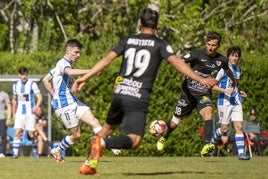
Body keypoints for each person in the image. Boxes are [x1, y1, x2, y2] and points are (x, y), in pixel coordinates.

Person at [72, 8, 217, 175]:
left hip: (120, 93)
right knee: (133, 141)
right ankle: (102, 145)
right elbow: (178, 63)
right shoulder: (160, 44)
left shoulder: (128, 40)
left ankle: (88, 164)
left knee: (106, 130)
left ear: (139, 23)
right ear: (158, 25)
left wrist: (85, 77)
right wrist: (202, 79)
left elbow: (106, 60)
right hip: (137, 97)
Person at [156, 32, 237, 155]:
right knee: (174, 123)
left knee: (209, 114)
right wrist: (184, 70)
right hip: (188, 94)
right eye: (208, 44)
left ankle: (206, 145)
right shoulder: (197, 54)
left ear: (218, 46)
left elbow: (228, 71)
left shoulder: (222, 60)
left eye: (213, 45)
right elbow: (180, 61)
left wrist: (234, 82)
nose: (210, 47)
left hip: (203, 95)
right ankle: (164, 137)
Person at [42, 39, 102, 163]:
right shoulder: (63, 63)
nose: (78, 55)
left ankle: (112, 145)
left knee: (94, 121)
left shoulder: (60, 66)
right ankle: (56, 150)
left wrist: (54, 95)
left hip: (73, 102)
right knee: (76, 135)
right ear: (68, 51)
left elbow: (45, 80)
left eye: (79, 52)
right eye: (76, 52)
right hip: (64, 106)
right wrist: (91, 71)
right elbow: (69, 72)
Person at [206, 46, 250, 160]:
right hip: (224, 102)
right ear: (228, 57)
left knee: (239, 127)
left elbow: (234, 85)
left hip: (236, 101)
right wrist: (225, 91)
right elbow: (212, 86)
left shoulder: (238, 69)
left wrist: (239, 92)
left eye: (237, 56)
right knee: (224, 129)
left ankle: (241, 154)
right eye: (232, 56)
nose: (235, 58)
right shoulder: (222, 69)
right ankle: (212, 143)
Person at [11, 66, 43, 159]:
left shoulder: (32, 84)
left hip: (30, 112)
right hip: (20, 112)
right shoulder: (15, 85)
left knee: (31, 134)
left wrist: (36, 107)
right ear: (19, 75)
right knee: (17, 131)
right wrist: (13, 113)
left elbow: (40, 97)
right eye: (22, 74)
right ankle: (15, 154)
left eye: (25, 74)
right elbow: (14, 100)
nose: (24, 76)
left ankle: (35, 151)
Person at [0, 82, 12, 158]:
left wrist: (9, 118)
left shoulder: (4, 94)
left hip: (2, 118)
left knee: (3, 135)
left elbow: (9, 106)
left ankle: (2, 152)